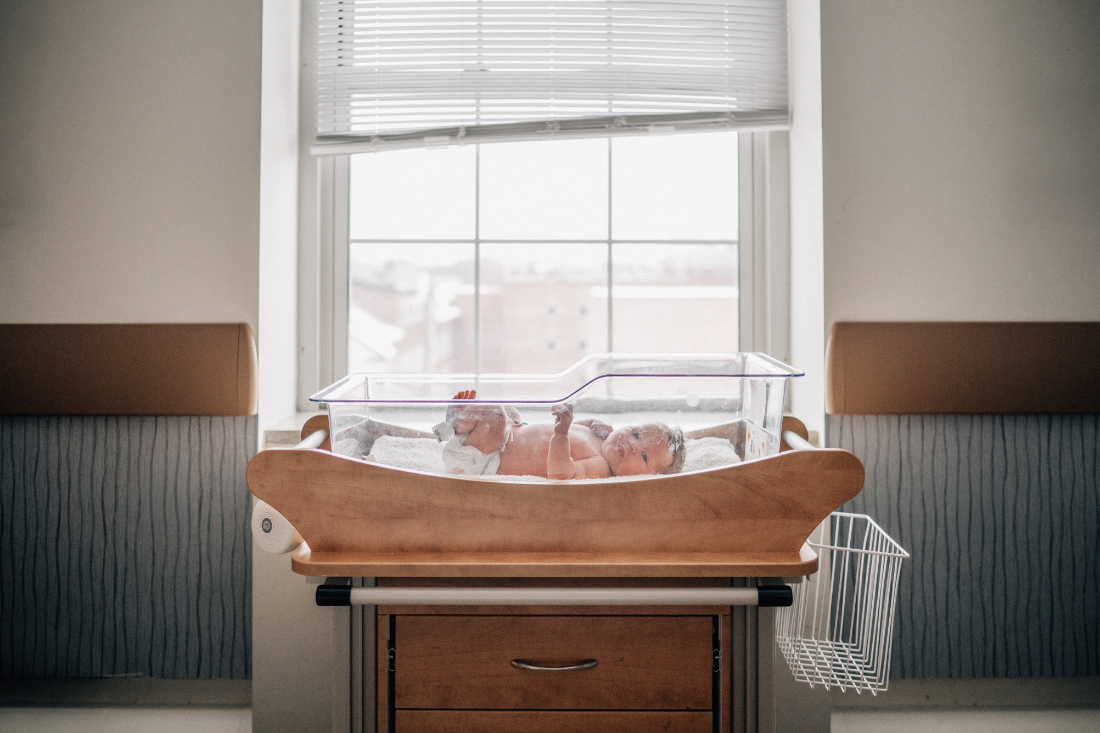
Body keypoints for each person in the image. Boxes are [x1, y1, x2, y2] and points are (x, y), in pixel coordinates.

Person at [436, 390, 685, 479]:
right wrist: (590, 422)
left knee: (496, 414)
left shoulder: (600, 468)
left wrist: (562, 432)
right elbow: (583, 426)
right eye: (635, 434)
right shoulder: (599, 436)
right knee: (508, 410)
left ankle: (457, 424)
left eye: (643, 457)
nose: (631, 444)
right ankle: (464, 423)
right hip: (506, 437)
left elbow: (561, 473)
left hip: (485, 461)